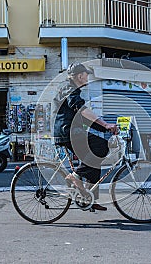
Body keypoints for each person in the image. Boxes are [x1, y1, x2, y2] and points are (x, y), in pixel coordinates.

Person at [53, 62, 117, 211]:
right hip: (67, 132)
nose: (88, 77)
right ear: (80, 76)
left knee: (95, 161)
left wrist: (104, 126)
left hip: (70, 130)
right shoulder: (69, 89)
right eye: (87, 74)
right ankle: (74, 176)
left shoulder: (71, 88)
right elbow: (81, 110)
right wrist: (105, 124)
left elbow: (84, 118)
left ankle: (90, 198)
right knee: (101, 146)